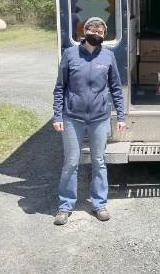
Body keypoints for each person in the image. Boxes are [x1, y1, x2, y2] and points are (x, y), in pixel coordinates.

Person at [52, 17, 126, 226]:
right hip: (72, 116)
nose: (97, 33)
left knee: (99, 161)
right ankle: (65, 205)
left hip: (99, 117)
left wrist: (120, 115)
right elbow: (60, 87)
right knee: (71, 162)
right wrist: (58, 115)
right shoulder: (70, 54)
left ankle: (99, 204)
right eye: (93, 30)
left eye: (101, 31)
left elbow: (116, 88)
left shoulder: (108, 56)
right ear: (84, 32)